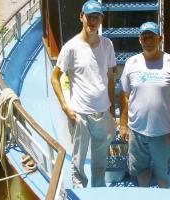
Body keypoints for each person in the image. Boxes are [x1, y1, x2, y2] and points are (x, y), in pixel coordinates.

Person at [51, 0, 116, 188]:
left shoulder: (108, 45)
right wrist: (65, 107)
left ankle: (98, 188)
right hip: (79, 115)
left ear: (101, 20)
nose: (93, 21)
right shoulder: (71, 47)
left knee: (100, 159)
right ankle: (80, 191)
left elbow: (110, 77)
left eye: (97, 17)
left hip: (102, 113)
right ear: (82, 17)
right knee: (78, 160)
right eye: (90, 16)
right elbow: (55, 77)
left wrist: (111, 110)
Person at [119, 22, 170, 188]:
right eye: (145, 37)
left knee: (162, 173)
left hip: (163, 132)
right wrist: (123, 124)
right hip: (136, 131)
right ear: (139, 40)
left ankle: (163, 192)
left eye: (152, 37)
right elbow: (124, 94)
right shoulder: (131, 63)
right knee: (140, 171)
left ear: (160, 38)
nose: (148, 41)